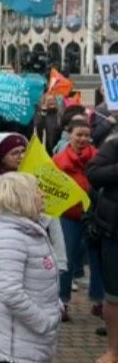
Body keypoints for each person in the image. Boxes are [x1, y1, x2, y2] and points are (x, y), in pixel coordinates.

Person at [0, 172, 62, 363]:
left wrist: (54, 306)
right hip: (15, 352)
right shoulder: (11, 237)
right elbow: (10, 292)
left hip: (30, 343)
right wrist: (43, 322)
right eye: (37, 191)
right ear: (21, 198)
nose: (42, 195)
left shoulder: (31, 231)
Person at [52, 117, 103, 321]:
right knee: (66, 259)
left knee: (97, 259)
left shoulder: (99, 158)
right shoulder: (58, 161)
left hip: (94, 217)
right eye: (79, 135)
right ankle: (61, 301)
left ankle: (100, 301)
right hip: (69, 216)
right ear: (69, 135)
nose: (82, 139)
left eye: (86, 135)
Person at [85, 133, 118, 363]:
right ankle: (114, 351)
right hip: (114, 234)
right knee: (115, 296)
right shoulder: (114, 145)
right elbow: (93, 174)